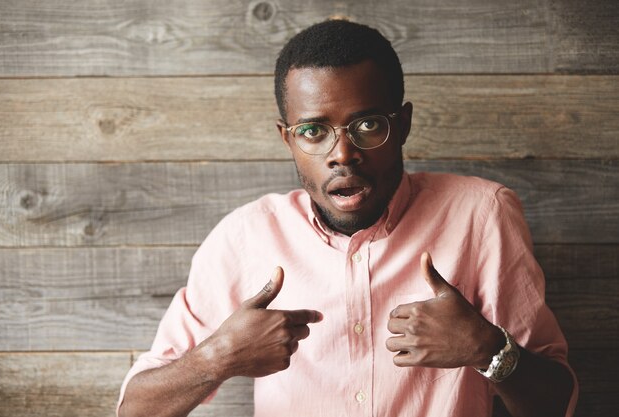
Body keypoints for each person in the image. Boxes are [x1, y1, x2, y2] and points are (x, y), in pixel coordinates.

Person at [117, 20, 578, 417]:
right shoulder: (243, 237)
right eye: (313, 131)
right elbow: (134, 408)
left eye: (368, 125)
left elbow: (560, 403)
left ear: (402, 125)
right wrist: (216, 358)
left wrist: (488, 349)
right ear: (288, 139)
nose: (343, 154)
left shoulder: (482, 214)